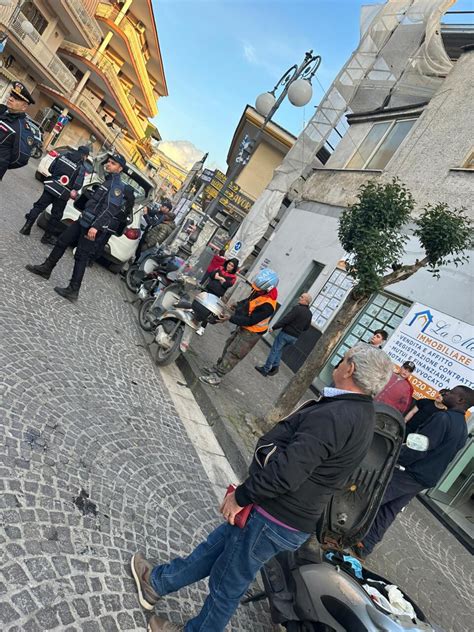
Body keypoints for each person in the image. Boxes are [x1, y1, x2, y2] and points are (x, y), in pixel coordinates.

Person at [129, 344, 394, 632]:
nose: (338, 364)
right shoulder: (364, 413)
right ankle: (155, 583)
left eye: (343, 360)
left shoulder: (336, 416)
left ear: (350, 368)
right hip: (284, 516)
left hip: (274, 516)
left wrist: (241, 497)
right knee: (212, 550)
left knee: (227, 584)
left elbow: (287, 472)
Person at [356, 385, 472, 559]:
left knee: (370, 498)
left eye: (451, 393)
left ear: (461, 400)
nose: (446, 393)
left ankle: (342, 530)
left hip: (410, 472)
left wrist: (394, 456)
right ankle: (366, 545)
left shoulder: (443, 419)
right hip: (425, 478)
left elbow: (419, 448)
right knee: (390, 509)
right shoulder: (463, 428)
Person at [24, 153, 127, 301]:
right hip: (84, 220)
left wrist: (96, 227)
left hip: (92, 227)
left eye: (113, 163)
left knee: (81, 256)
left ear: (120, 168)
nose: (108, 164)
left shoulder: (117, 186)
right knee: (62, 241)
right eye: (109, 162)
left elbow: (109, 209)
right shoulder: (108, 181)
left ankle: (73, 290)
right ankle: (46, 269)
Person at [199, 268, 279, 387]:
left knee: (234, 353)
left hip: (251, 333)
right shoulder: (260, 291)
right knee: (228, 346)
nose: (255, 290)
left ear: (267, 289)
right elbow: (249, 301)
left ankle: (217, 377)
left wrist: (229, 318)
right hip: (244, 327)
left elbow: (250, 321)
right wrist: (237, 305)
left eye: (258, 290)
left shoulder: (268, 306)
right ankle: (216, 368)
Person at [19, 145, 91, 241]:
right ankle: (46, 237)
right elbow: (77, 185)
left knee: (38, 207)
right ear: (84, 156)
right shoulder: (81, 167)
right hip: (62, 193)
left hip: (51, 186)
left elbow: (50, 169)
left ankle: (26, 227)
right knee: (56, 216)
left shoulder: (63, 155)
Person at [255, 292, 312, 377]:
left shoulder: (297, 308)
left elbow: (287, 319)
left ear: (306, 301)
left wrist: (274, 327)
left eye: (302, 297)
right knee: (279, 350)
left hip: (286, 334)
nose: (299, 298)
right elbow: (306, 327)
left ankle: (265, 369)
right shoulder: (310, 314)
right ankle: (275, 367)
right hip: (294, 338)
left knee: (274, 350)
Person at [0, 81, 35, 181]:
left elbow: (21, 158)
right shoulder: (2, 110)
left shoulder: (22, 128)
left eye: (16, 98)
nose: (10, 98)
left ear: (24, 107)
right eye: (11, 95)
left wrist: (3, 163)